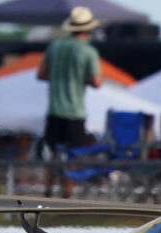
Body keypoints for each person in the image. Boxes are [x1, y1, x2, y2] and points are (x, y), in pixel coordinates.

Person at [37, 6, 103, 197]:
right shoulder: (88, 51)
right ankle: (67, 192)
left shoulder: (54, 47)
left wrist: (59, 75)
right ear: (88, 29)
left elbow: (41, 74)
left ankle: (48, 190)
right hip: (75, 111)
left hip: (54, 109)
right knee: (73, 156)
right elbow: (97, 82)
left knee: (53, 154)